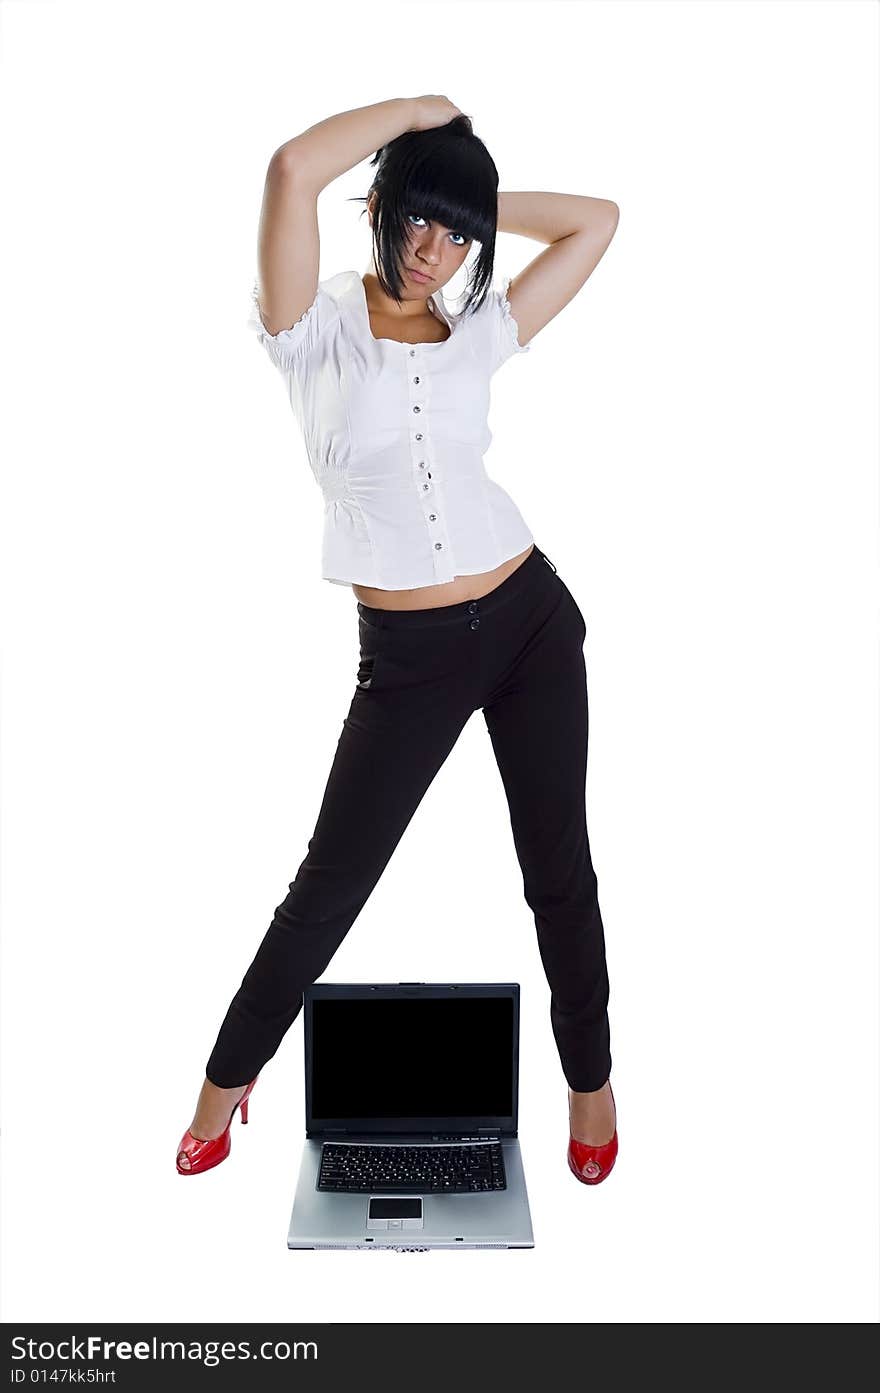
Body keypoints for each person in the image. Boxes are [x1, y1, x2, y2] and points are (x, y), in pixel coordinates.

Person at [176, 95, 621, 1185]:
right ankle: (221, 1090)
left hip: (527, 622)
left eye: (454, 232)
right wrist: (425, 118)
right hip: (410, 655)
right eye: (417, 222)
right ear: (376, 209)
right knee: (330, 885)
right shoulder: (310, 326)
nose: (435, 252)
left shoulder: (478, 329)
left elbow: (598, 221)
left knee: (557, 870)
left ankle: (592, 1084)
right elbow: (288, 169)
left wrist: (467, 194)